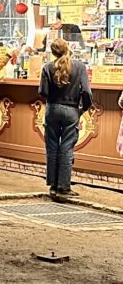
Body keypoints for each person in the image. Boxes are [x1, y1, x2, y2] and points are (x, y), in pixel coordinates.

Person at [39, 38, 93, 198]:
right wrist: (81, 110)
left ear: (53, 51)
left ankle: (53, 186)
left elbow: (43, 92)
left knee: (52, 147)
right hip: (71, 110)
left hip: (52, 109)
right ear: (67, 48)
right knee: (67, 148)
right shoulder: (80, 67)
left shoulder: (47, 67)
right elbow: (87, 93)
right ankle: (64, 186)